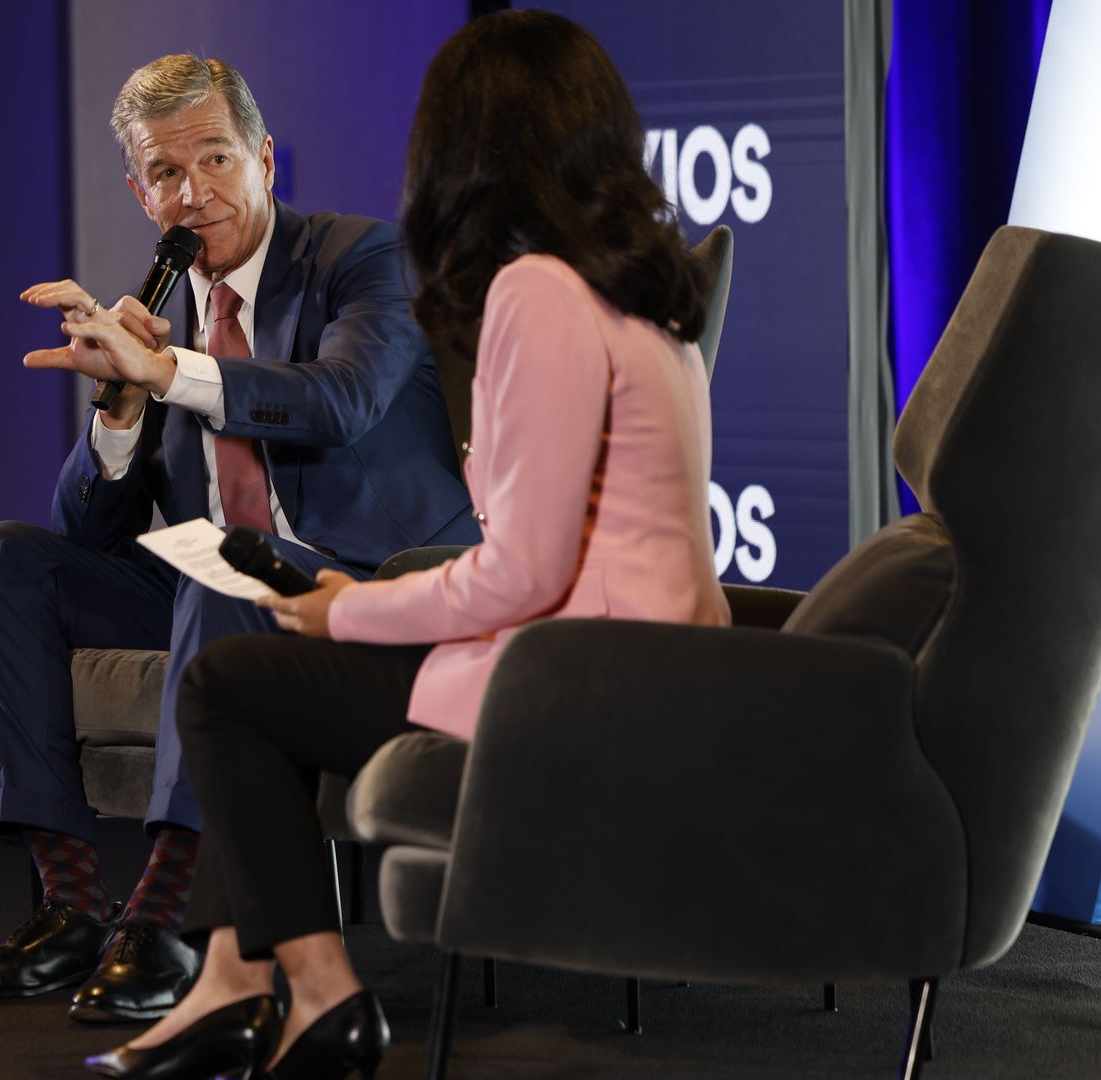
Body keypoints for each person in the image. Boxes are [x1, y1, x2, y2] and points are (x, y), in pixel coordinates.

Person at [81, 10, 731, 1078]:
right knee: (259, 673)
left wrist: (347, 607)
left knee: (232, 687)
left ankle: (302, 993)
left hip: (574, 682)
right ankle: (240, 985)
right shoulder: (644, 286)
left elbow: (522, 571)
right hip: (639, 662)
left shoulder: (537, 291)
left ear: (461, 149)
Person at [0, 54, 478, 1023]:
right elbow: (86, 534)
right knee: (0, 561)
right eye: (169, 176)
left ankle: (167, 922)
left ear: (267, 159)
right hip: (210, 600)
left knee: (226, 567)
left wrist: (174, 368)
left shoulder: (360, 261)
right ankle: (70, 912)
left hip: (371, 588)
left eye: (217, 159)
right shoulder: (162, 319)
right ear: (143, 196)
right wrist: (122, 404)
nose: (197, 193)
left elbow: (340, 403)